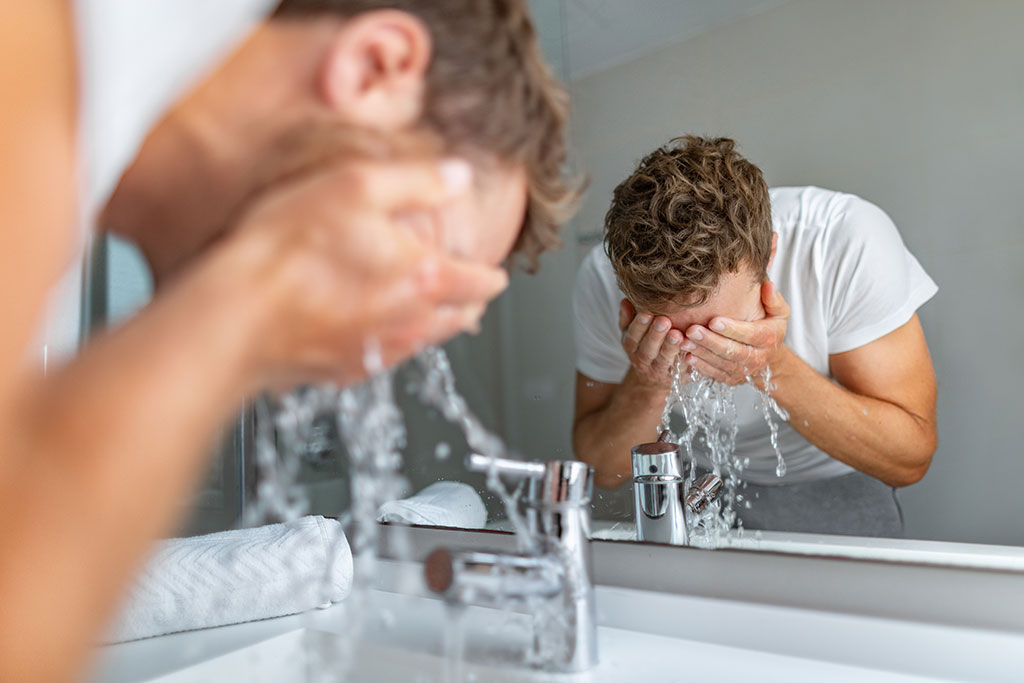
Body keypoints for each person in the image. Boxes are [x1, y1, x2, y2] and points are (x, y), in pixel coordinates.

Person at [0, 2, 576, 682]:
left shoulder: (71, 160)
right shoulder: (32, 59)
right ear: (375, 67)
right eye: (419, 257)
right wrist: (246, 301)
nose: (381, 346)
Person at [572, 136, 937, 537]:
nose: (700, 350)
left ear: (769, 255)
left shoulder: (843, 240)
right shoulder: (601, 278)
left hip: (842, 484)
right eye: (673, 334)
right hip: (700, 490)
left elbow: (909, 461)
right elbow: (603, 470)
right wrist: (648, 380)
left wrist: (771, 366)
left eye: (720, 331)